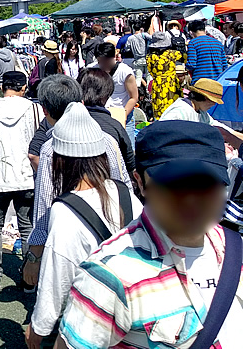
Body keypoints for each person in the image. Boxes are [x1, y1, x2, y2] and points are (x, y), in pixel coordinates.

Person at [56, 120, 242, 348]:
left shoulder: (236, 248)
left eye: (205, 183)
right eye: (173, 184)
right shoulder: (109, 274)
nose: (191, 198)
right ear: (140, 182)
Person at [25, 103, 142, 348]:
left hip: (93, 317)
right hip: (136, 315)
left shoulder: (65, 210)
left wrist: (38, 328)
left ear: (60, 161)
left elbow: (56, 278)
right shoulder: (124, 193)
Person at [23, 75, 132, 287]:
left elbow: (45, 207)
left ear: (45, 111)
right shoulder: (107, 140)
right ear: (82, 103)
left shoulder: (50, 149)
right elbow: (123, 188)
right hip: (111, 235)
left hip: (67, 243)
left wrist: (34, 257)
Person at [0, 71, 42, 292]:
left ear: (3, 87)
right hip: (26, 173)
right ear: (23, 88)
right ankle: (28, 277)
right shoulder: (34, 109)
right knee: (27, 226)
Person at [80, 69, 136, 177]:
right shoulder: (115, 126)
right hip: (108, 185)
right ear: (106, 95)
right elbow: (130, 165)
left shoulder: (59, 123)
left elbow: (36, 154)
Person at [159, 78, 243, 147]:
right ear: (203, 97)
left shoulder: (201, 112)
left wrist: (236, 136)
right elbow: (163, 132)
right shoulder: (179, 111)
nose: (214, 104)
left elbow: (219, 127)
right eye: (212, 101)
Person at [93, 42, 138, 146]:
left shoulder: (125, 71)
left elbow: (133, 97)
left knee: (128, 147)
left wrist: (123, 116)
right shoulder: (94, 70)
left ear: (114, 57)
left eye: (106, 61)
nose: (103, 65)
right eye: (100, 61)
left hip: (123, 113)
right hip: (103, 114)